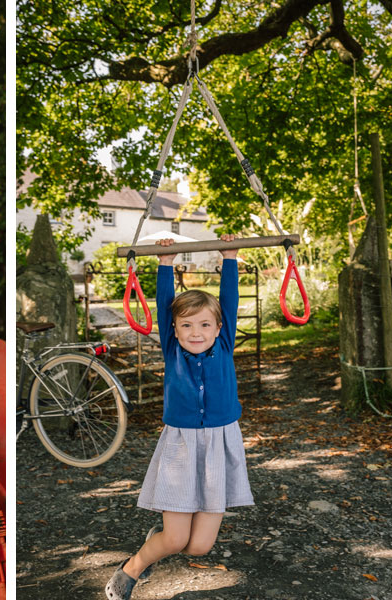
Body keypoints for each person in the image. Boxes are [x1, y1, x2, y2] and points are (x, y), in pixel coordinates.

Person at [105, 235, 254, 600]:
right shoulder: (172, 350)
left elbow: (229, 304)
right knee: (174, 538)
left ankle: (156, 545)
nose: (196, 332)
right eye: (186, 325)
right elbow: (164, 303)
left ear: (219, 329)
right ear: (174, 330)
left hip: (219, 444)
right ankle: (132, 568)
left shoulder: (223, 343)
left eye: (204, 325)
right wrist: (165, 263)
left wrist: (229, 259)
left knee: (198, 547)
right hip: (181, 447)